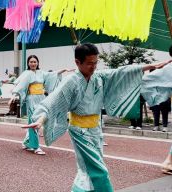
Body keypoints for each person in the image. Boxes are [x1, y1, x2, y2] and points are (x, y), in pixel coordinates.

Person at [24, 43, 170, 192]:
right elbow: (54, 100)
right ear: (77, 62)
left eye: (95, 63)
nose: (93, 67)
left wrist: (151, 66)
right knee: (98, 169)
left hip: (96, 129)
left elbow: (120, 72)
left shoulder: (99, 77)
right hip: (79, 131)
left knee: (87, 170)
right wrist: (41, 119)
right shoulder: (71, 81)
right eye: (89, 63)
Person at [9, 55, 71, 155]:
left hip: (41, 98)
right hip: (31, 99)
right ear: (28, 63)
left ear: (38, 63)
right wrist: (14, 95)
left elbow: (52, 74)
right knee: (34, 121)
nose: (33, 64)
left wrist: (63, 70)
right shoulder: (26, 74)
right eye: (31, 62)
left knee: (39, 120)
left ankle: (26, 141)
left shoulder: (42, 73)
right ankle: (36, 146)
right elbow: (20, 85)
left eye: (35, 62)